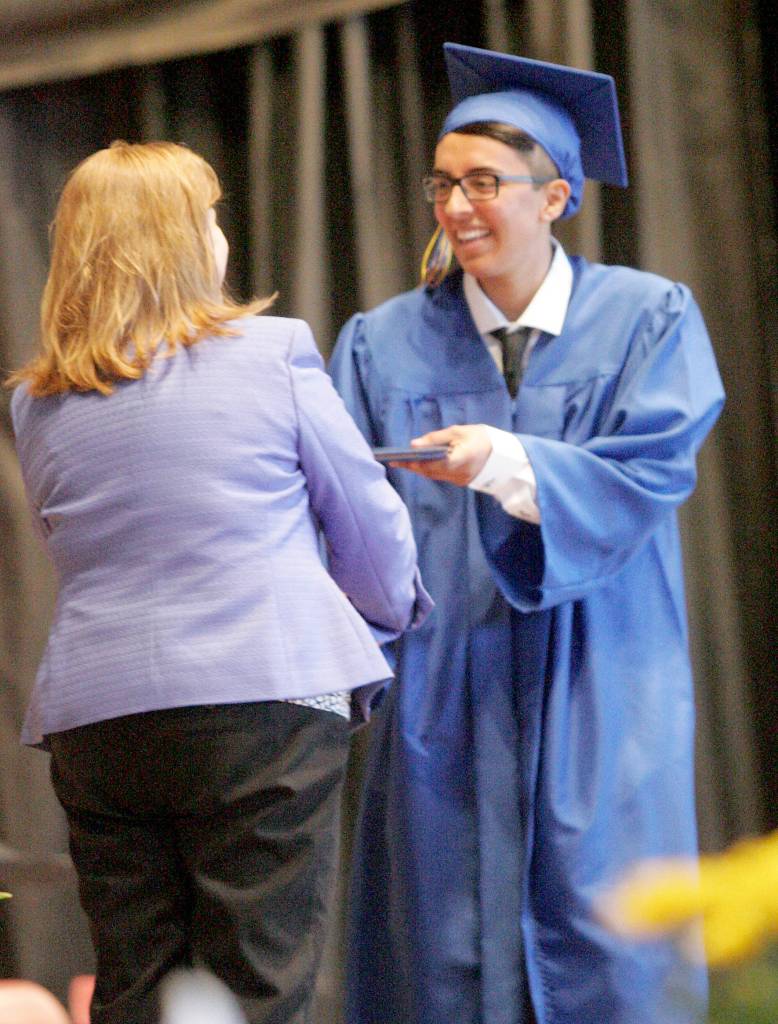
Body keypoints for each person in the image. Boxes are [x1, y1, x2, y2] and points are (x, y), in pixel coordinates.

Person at [329, 42, 724, 1024]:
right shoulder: (379, 343)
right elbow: (339, 527)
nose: (456, 207)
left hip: (604, 686)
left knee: (617, 960)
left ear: (555, 197)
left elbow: (649, 472)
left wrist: (507, 463)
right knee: (444, 957)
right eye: (441, 184)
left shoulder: (648, 318)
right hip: (442, 696)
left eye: (482, 183)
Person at [7, 140, 430, 1024]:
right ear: (179, 240)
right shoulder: (271, 352)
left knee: (135, 986)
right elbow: (368, 520)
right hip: (264, 693)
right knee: (255, 983)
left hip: (98, 716)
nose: (222, 235)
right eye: (209, 217)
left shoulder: (36, 400)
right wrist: (386, 622)